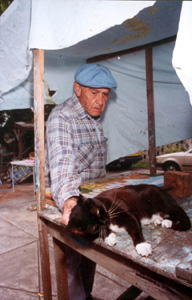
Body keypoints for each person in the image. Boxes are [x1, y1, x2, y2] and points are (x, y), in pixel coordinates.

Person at [45, 63, 117, 300]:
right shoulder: (61, 118)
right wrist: (69, 201)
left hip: (92, 204)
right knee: (72, 264)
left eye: (105, 94)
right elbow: (62, 161)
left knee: (89, 259)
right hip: (74, 205)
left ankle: (86, 296)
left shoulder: (93, 117)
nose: (100, 100)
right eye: (94, 92)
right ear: (77, 89)